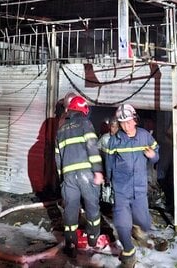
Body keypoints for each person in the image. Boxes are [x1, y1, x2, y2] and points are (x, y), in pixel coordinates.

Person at [104, 103, 159, 268]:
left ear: (135, 120)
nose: (125, 126)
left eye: (128, 122)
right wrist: (109, 181)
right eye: (122, 123)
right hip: (121, 188)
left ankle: (139, 232)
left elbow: (157, 155)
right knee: (121, 224)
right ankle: (128, 252)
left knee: (142, 220)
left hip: (140, 188)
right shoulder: (115, 141)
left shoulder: (144, 137)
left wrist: (153, 156)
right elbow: (109, 163)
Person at [54, 95, 104, 258]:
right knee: (92, 207)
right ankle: (92, 239)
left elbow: (57, 157)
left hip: (68, 176)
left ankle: (70, 243)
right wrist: (98, 171)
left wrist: (63, 178)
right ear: (83, 109)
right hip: (86, 174)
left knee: (70, 209)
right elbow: (92, 147)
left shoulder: (61, 129)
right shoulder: (85, 123)